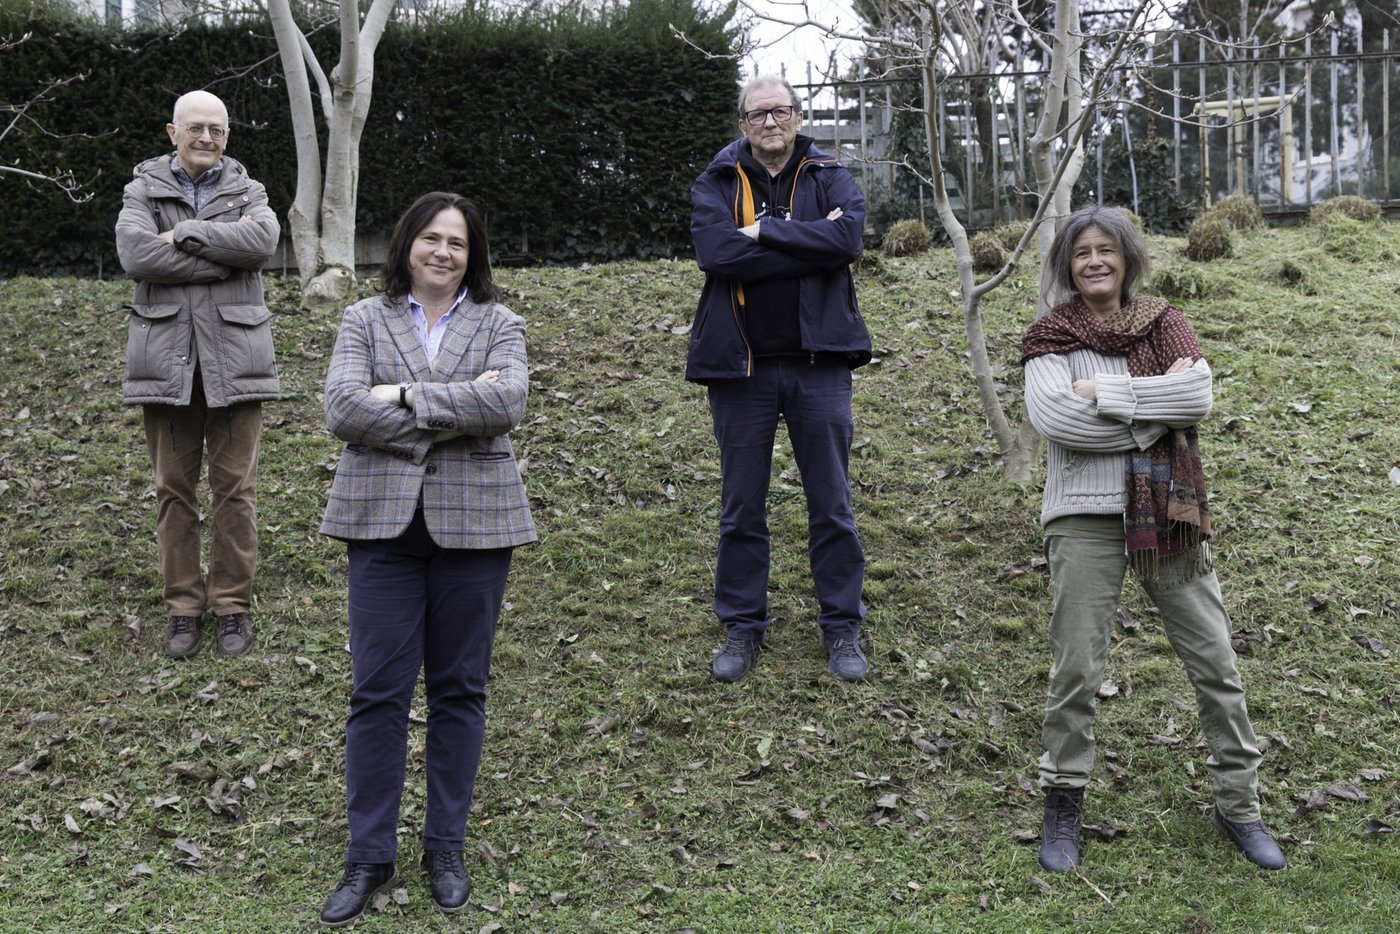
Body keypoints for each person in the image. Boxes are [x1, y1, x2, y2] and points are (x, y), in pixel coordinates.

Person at [1019, 205, 1286, 872]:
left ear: (1129, 257)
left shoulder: (1166, 323)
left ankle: (1240, 805)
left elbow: (1196, 399)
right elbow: (1058, 420)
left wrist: (1107, 394)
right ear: (1067, 266)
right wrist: (1149, 411)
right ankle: (1063, 801)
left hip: (1169, 512)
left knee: (1217, 665)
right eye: (1081, 253)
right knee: (1077, 670)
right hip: (1082, 516)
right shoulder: (1048, 335)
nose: (1095, 261)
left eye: (1107, 249)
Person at [317, 192, 536, 927]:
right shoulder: (363, 319)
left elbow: (506, 405)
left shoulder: (499, 322)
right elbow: (342, 409)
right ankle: (368, 854)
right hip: (381, 527)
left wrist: (405, 395)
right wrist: (451, 411)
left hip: (477, 528)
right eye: (431, 239)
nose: (443, 252)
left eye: (459, 244)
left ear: (473, 257)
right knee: (377, 694)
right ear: (407, 242)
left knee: (459, 692)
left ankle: (445, 845)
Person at [686, 75, 873, 684]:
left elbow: (847, 240)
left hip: (819, 365)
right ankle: (743, 624)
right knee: (742, 506)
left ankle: (841, 623)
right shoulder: (715, 182)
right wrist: (809, 245)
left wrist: (764, 230)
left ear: (797, 116)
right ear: (742, 122)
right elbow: (716, 255)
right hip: (740, 371)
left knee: (833, 504)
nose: (770, 121)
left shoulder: (829, 174)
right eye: (757, 112)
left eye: (780, 111)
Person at [115, 90, 280, 659]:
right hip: (167, 364)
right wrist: (221, 257)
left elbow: (262, 242)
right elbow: (136, 256)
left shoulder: (250, 191)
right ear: (172, 132)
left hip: (237, 361)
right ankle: (184, 608)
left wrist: (184, 235)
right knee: (174, 493)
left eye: (216, 129)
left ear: (227, 136)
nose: (205, 138)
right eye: (195, 128)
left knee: (237, 492)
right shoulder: (141, 191)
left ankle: (232, 605)